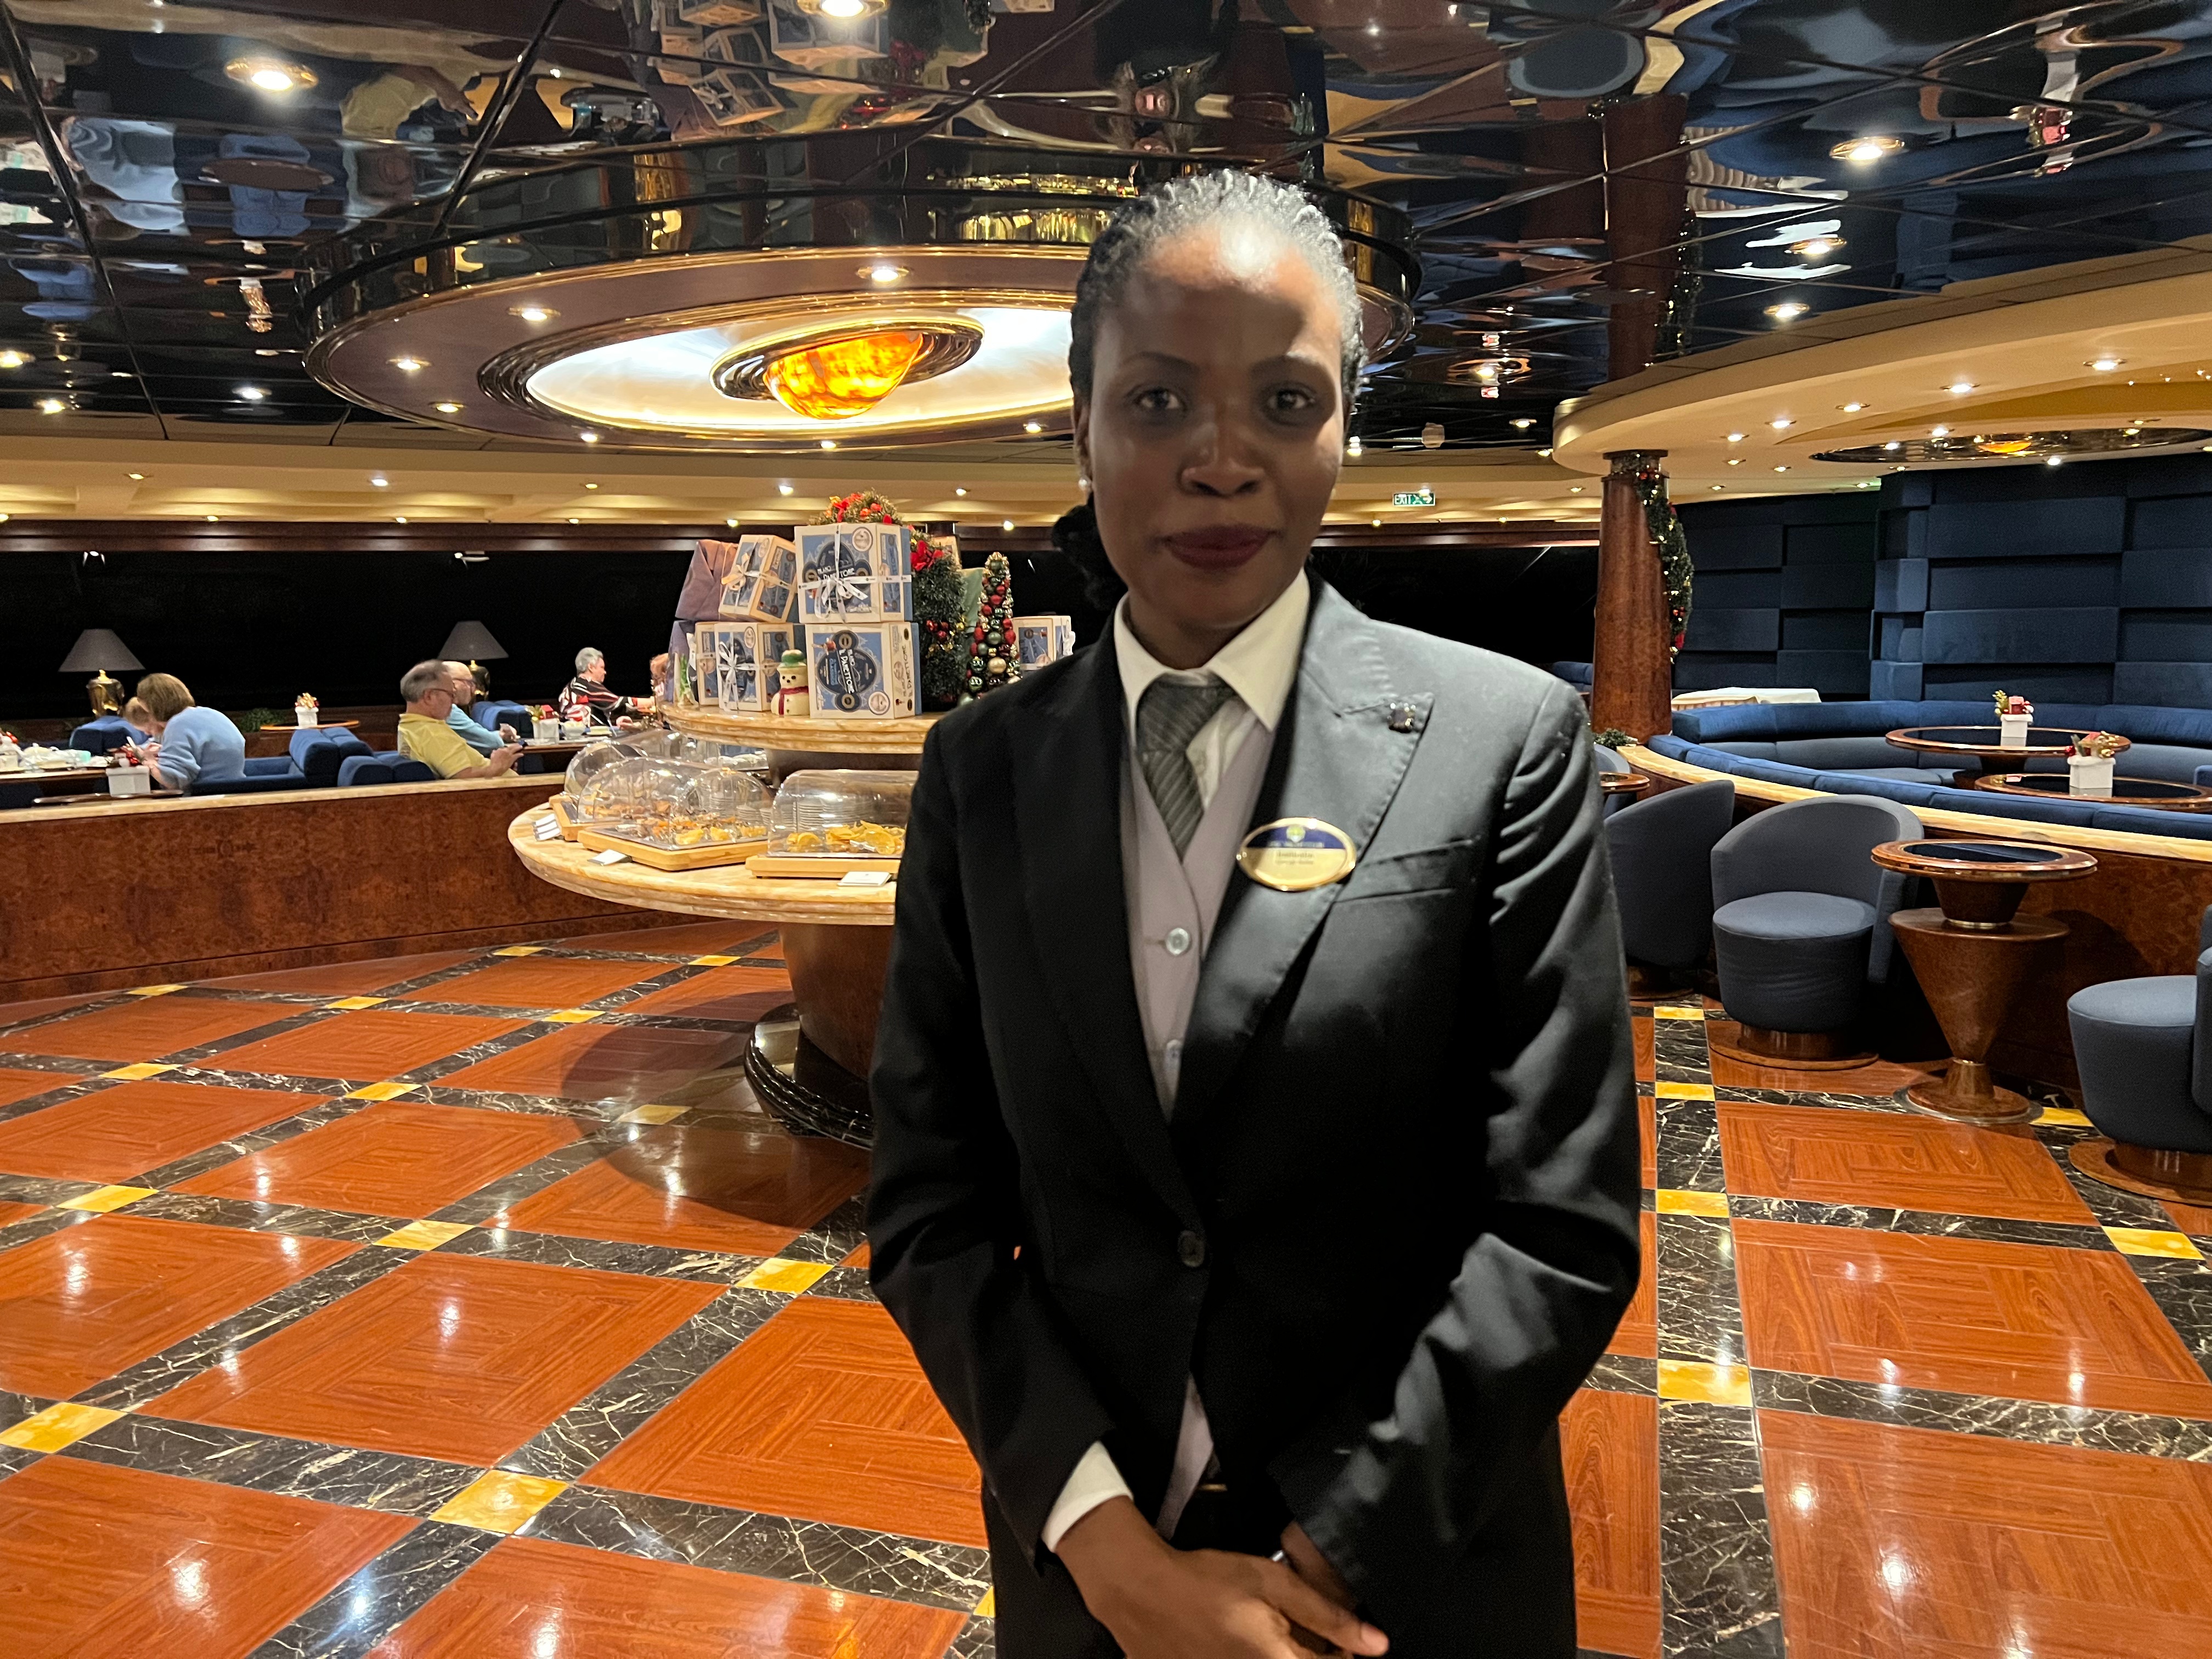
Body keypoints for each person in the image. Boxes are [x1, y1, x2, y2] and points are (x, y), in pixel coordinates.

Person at [867, 171, 1638, 1659]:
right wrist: (1113, 1556)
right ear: (1080, 426)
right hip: (1090, 1588)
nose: (1222, 463)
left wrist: (1324, 1555)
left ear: (1343, 429)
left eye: (1285, 403)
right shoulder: (982, 771)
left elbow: (1562, 1222)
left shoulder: (1504, 743)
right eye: (1158, 402)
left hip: (1412, 1578)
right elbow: (927, 1207)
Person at [396, 659, 521, 779]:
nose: (454, 701)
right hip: (504, 790)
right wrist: (497, 767)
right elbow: (463, 778)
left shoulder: (411, 725)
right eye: (451, 694)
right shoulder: (432, 733)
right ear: (429, 696)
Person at [133, 672, 245, 792]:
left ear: (152, 706)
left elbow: (173, 781)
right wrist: (166, 752)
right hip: (234, 791)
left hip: (208, 795)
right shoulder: (212, 714)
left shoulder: (179, 724)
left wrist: (147, 761)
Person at [558, 647, 650, 725]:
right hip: (588, 736)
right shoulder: (587, 685)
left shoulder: (571, 686)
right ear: (591, 667)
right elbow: (620, 703)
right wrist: (653, 702)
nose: (605, 672)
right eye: (602, 668)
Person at [442, 661, 516, 754]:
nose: (474, 689)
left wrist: (497, 735)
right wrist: (500, 736)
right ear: (451, 683)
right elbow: (490, 743)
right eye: (469, 682)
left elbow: (482, 736)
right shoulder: (446, 709)